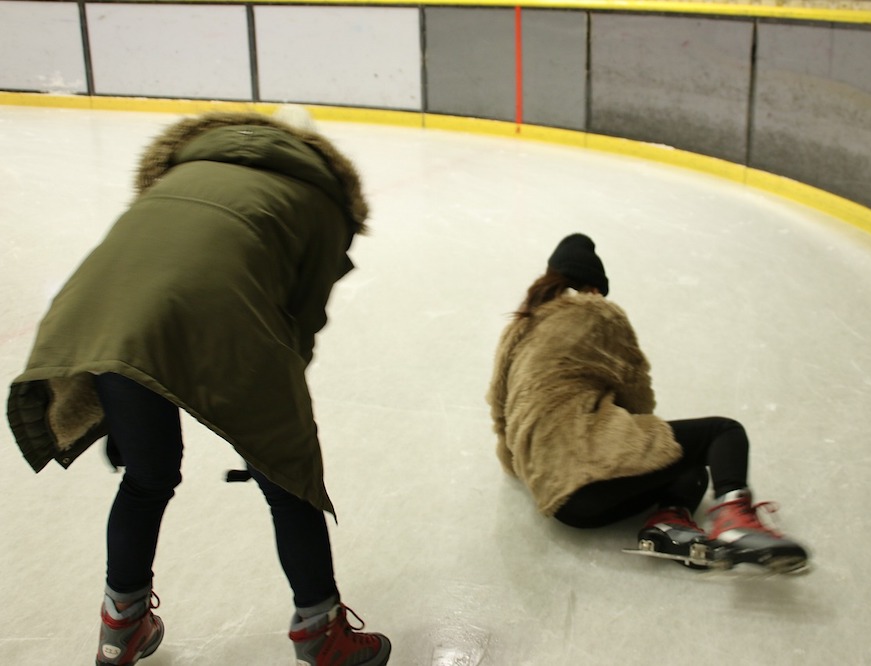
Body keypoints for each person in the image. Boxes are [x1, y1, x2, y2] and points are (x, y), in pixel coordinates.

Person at [6, 108, 391, 666]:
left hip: (100, 316)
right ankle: (323, 634)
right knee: (288, 482)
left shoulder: (181, 170)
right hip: (216, 320)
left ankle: (122, 628)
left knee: (147, 477)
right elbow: (300, 323)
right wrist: (268, 433)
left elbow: (144, 275)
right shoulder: (321, 200)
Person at [486, 233, 808, 572]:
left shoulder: (516, 331)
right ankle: (735, 523)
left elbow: (499, 413)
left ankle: (667, 524)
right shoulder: (598, 313)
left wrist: (537, 467)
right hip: (592, 474)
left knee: (687, 467)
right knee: (722, 433)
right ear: (593, 287)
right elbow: (637, 396)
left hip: (562, 505)